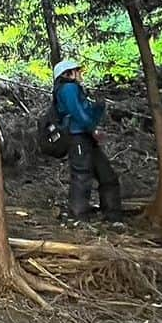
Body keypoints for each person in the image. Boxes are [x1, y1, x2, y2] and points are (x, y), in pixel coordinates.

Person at [53, 59, 122, 223]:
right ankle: (79, 217)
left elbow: (86, 112)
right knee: (82, 176)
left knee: (106, 175)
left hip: (85, 136)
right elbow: (78, 113)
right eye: (77, 70)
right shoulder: (68, 88)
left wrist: (99, 107)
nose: (80, 73)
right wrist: (93, 129)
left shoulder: (73, 89)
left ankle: (112, 214)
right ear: (68, 73)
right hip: (78, 137)